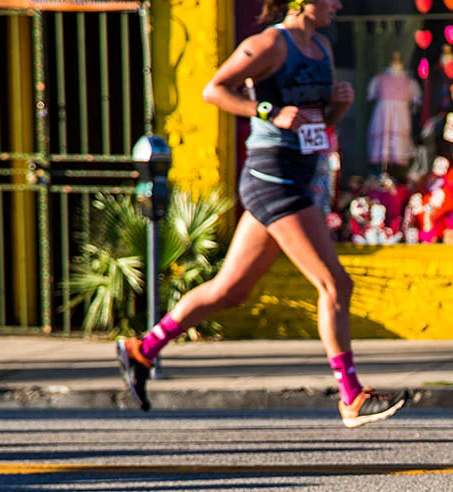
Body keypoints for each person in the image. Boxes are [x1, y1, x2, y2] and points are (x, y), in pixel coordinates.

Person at [115, 0, 407, 428]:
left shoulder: (322, 48)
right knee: (334, 283)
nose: (339, 5)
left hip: (300, 175)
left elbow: (316, 121)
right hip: (273, 177)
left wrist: (339, 108)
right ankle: (351, 396)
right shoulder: (271, 43)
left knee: (229, 291)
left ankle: (143, 348)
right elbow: (214, 89)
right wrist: (266, 110)